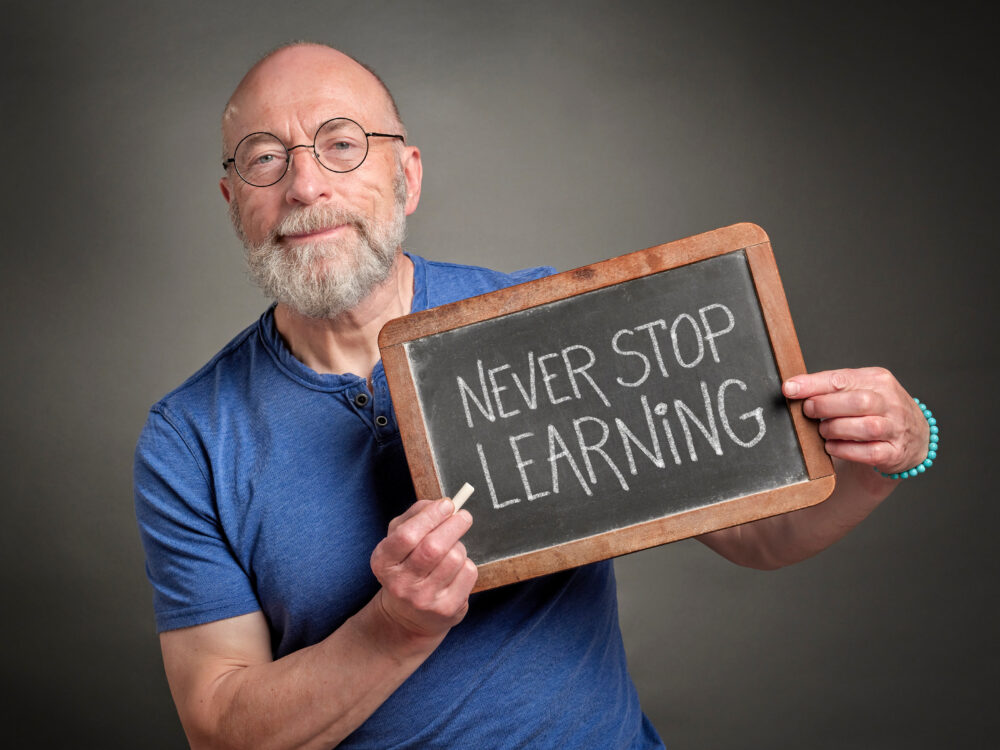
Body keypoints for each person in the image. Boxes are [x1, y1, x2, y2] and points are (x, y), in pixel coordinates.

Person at [133, 42, 933, 749]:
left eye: (342, 144)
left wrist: (889, 453)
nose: (306, 185)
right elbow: (223, 728)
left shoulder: (547, 321)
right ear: (234, 199)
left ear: (405, 176)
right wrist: (395, 628)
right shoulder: (188, 438)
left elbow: (757, 535)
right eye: (265, 158)